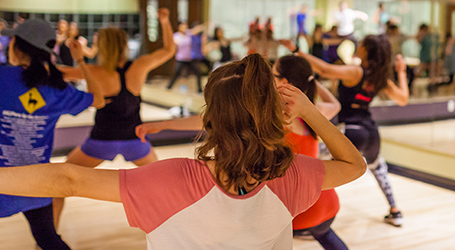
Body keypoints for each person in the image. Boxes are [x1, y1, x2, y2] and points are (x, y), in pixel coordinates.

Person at [0, 54, 367, 249]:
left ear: (211, 118)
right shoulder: (293, 174)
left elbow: (67, 179)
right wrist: (310, 110)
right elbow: (354, 165)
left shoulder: (173, 180)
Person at [55, 8, 176, 228]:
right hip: (135, 141)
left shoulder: (95, 71)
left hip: (101, 142)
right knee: (160, 184)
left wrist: (76, 57)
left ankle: (49, 236)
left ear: (102, 46)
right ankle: (163, 227)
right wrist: (165, 21)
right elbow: (169, 49)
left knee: (57, 185)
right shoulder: (138, 67)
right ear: (124, 44)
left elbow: (56, 72)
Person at [280, 34, 410, 227]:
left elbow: (325, 69)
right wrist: (401, 72)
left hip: (350, 131)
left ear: (366, 51)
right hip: (371, 132)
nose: (359, 45)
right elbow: (403, 99)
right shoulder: (380, 78)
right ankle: (394, 210)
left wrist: (296, 51)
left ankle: (312, 219)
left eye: (362, 44)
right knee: (378, 168)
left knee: (315, 162)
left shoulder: (356, 72)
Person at [0, 18, 105, 250]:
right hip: (38, 182)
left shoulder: (3, 79)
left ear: (16, 45)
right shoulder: (57, 88)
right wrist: (80, 60)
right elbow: (98, 99)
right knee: (49, 240)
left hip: (3, 180)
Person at [167, 21, 204, 93]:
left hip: (189, 58)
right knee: (176, 73)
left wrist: (204, 25)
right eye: (183, 26)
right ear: (179, 27)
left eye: (185, 26)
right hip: (181, 58)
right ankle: (169, 87)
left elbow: (196, 30)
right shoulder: (176, 36)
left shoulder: (188, 34)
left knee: (198, 72)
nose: (184, 28)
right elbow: (174, 47)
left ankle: (199, 89)